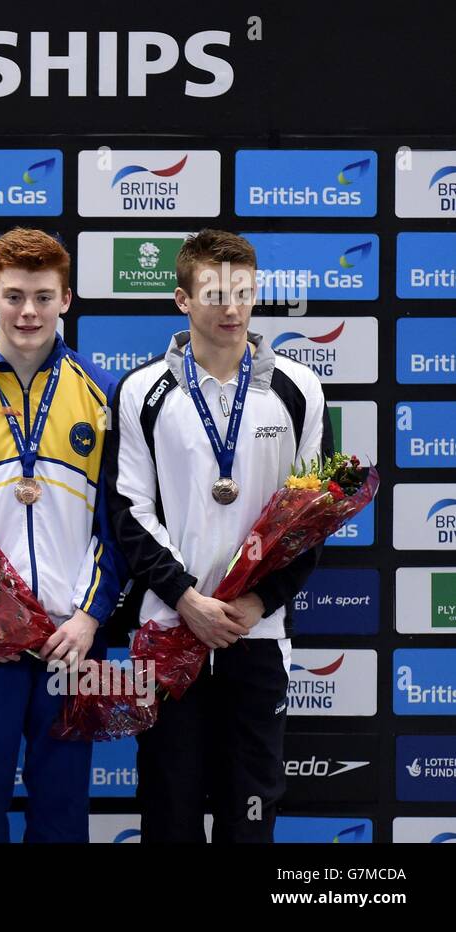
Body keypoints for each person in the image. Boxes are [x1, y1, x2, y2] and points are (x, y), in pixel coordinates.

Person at [106, 228, 331, 843]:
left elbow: (312, 517)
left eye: (243, 293)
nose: (231, 308)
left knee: (250, 813)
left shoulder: (300, 389)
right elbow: (128, 512)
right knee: (168, 811)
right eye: (214, 293)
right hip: (168, 631)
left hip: (256, 636)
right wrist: (186, 599)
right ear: (183, 299)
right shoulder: (140, 391)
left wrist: (256, 602)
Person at [0, 227, 125, 843]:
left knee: (62, 814)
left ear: (67, 299)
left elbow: (119, 527)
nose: (27, 311)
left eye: (42, 295)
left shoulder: (101, 393)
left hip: (71, 640)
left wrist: (90, 619)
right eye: (13, 296)